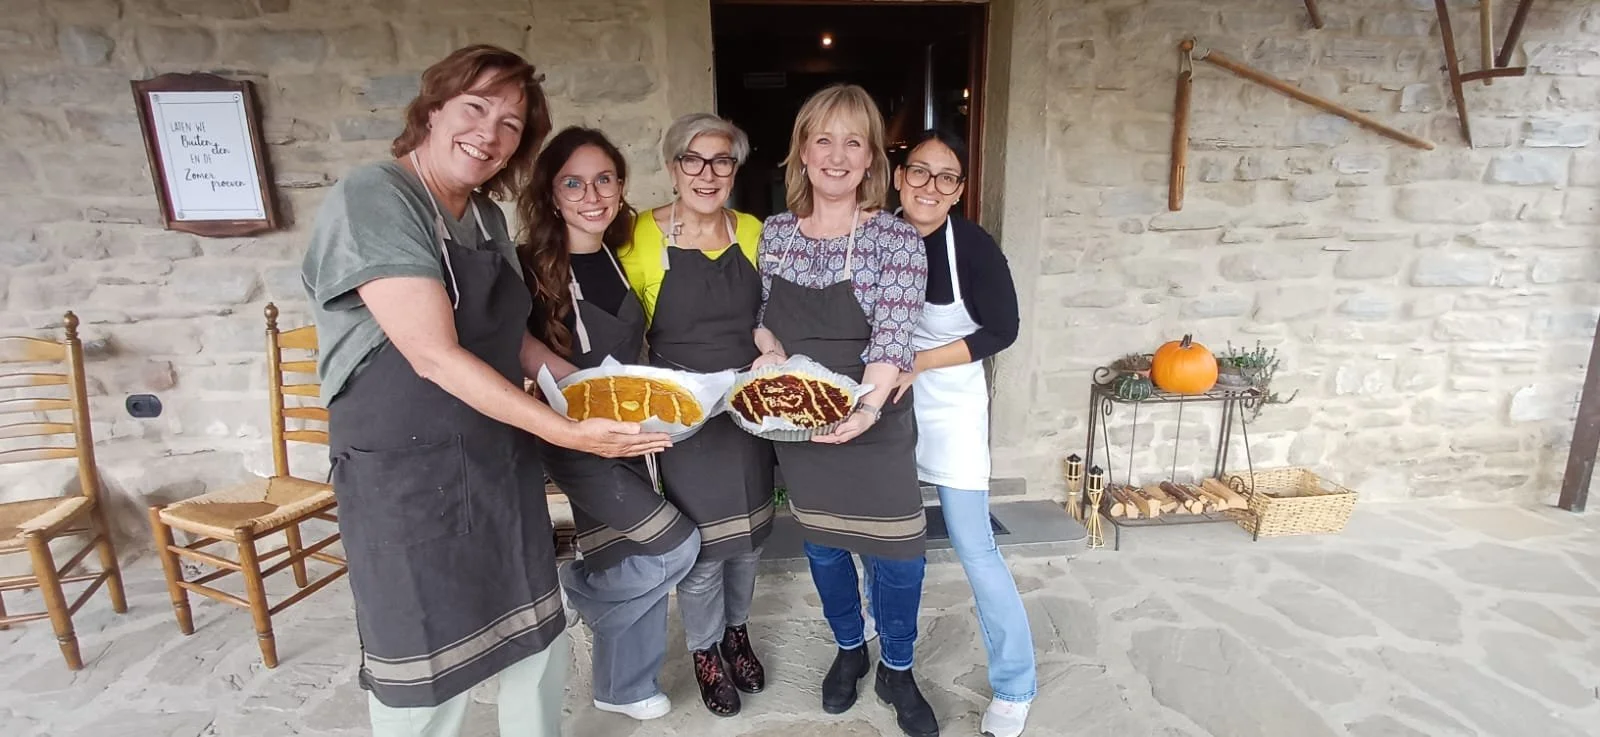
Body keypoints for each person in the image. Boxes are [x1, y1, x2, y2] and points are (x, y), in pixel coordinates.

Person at [300, 45, 670, 737]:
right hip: (406, 472)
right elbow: (436, 355)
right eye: (476, 108)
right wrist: (566, 431)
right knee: (426, 659)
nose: (491, 134)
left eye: (511, 124)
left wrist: (585, 385)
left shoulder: (486, 218)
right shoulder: (376, 196)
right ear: (433, 108)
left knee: (536, 636)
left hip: (494, 457)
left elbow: (508, 335)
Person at [751, 84, 937, 737]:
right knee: (825, 549)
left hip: (873, 419)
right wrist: (768, 354)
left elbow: (893, 334)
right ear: (801, 151)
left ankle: (900, 666)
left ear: (871, 160)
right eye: (822, 139)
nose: (836, 154)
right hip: (803, 421)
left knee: (899, 557)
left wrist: (864, 407)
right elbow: (762, 322)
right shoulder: (772, 234)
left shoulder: (894, 239)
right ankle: (851, 648)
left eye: (853, 141)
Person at [517, 127, 702, 722]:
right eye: (573, 182)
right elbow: (517, 345)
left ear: (621, 187)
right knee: (675, 543)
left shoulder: (621, 254)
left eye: (604, 179)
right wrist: (585, 398)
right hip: (575, 437)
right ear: (551, 192)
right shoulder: (532, 265)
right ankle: (582, 591)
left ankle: (624, 686)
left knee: (620, 549)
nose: (591, 194)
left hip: (633, 431)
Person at [619, 112, 774, 717]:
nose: (707, 173)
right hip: (682, 414)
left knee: (753, 539)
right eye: (693, 159)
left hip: (748, 406)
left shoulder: (756, 231)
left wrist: (773, 349)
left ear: (735, 169)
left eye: (722, 161)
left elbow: (772, 313)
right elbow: (622, 327)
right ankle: (706, 651)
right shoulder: (638, 236)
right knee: (707, 549)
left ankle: (739, 632)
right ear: (672, 166)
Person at [890, 129, 1034, 737]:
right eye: (919, 173)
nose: (930, 187)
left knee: (977, 547)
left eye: (946, 178)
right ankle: (890, 663)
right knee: (887, 542)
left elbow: (1003, 330)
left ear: (959, 192)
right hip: (886, 402)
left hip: (950, 403)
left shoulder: (972, 246)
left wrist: (920, 361)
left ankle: (1015, 683)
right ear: (899, 179)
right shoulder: (873, 236)